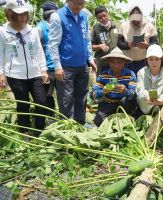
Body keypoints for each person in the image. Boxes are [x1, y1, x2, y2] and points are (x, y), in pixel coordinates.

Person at [0, 0, 48, 136]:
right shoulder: (3, 32)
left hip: (35, 74)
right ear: (10, 14)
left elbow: (39, 51)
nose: (23, 17)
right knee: (23, 104)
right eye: (19, 14)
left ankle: (39, 130)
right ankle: (25, 131)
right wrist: (1, 74)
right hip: (15, 75)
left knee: (41, 101)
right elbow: (0, 53)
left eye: (25, 14)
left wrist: (43, 70)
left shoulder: (32, 31)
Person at [48, 0, 97, 125]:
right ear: (68, 1)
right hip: (66, 66)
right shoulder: (58, 16)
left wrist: (90, 59)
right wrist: (57, 67)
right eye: (76, 3)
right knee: (66, 98)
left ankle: (80, 122)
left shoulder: (83, 16)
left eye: (82, 3)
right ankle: (68, 125)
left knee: (82, 96)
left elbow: (87, 40)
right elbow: (53, 44)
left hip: (82, 65)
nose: (79, 6)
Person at [90, 47, 137, 127]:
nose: (116, 65)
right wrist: (103, 91)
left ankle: (126, 117)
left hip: (124, 105)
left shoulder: (130, 74)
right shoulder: (103, 75)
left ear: (124, 62)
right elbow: (92, 95)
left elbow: (134, 94)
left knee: (126, 101)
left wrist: (125, 91)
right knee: (98, 122)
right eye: (113, 62)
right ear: (109, 62)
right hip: (108, 103)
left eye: (119, 62)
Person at [117, 5, 158, 75]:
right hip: (128, 62)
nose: (136, 22)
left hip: (144, 61)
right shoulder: (123, 26)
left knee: (143, 83)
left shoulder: (149, 26)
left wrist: (147, 45)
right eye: (134, 21)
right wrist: (128, 45)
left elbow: (155, 44)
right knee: (129, 83)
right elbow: (119, 43)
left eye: (138, 21)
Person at [136, 44, 163, 117]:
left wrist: (161, 100)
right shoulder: (141, 72)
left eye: (157, 59)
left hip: (159, 107)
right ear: (147, 60)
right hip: (143, 107)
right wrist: (147, 96)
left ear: (161, 60)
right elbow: (140, 90)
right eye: (151, 59)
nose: (154, 62)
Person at [36, 1, 58, 117]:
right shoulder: (40, 28)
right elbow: (35, 50)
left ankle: (59, 116)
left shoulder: (56, 26)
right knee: (47, 95)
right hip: (47, 69)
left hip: (58, 67)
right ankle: (50, 117)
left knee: (62, 94)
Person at [91, 6, 118, 76]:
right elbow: (90, 46)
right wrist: (99, 46)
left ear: (107, 14)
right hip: (102, 63)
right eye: (100, 17)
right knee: (103, 84)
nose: (103, 18)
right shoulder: (96, 28)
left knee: (117, 85)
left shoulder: (117, 25)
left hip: (117, 62)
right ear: (96, 18)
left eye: (104, 15)